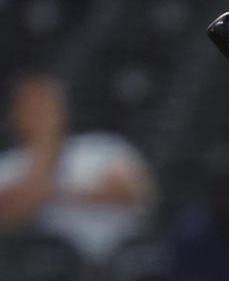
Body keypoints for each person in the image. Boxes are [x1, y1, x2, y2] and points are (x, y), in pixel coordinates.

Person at [0, 73, 154, 263]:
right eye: (31, 108)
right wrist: (44, 158)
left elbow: (130, 194)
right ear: (15, 115)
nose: (40, 116)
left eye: (45, 107)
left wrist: (52, 193)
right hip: (36, 264)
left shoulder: (102, 147)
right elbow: (7, 214)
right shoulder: (7, 164)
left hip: (111, 262)